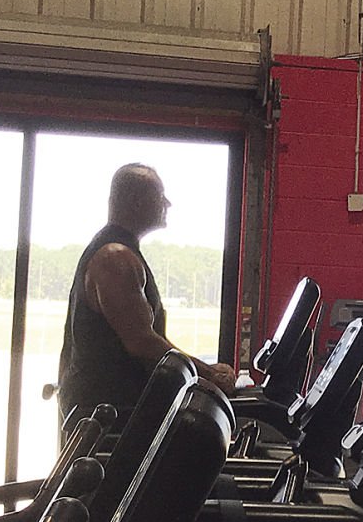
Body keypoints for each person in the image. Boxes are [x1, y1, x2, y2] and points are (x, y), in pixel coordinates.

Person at [57, 163, 238, 426]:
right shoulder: (115, 258)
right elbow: (142, 342)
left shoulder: (121, 252)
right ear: (136, 201)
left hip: (111, 405)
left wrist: (204, 372)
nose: (167, 203)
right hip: (107, 412)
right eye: (160, 195)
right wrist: (209, 375)